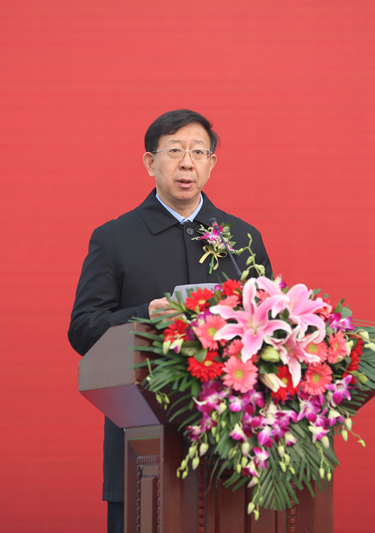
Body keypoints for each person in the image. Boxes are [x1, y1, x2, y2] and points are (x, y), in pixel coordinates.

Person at [68, 109, 272, 533]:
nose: (187, 163)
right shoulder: (115, 238)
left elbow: (268, 324)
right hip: (142, 439)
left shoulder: (242, 238)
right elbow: (84, 328)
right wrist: (145, 314)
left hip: (230, 438)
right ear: (150, 162)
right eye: (175, 151)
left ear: (211, 164)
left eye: (198, 152)